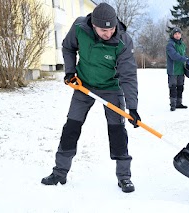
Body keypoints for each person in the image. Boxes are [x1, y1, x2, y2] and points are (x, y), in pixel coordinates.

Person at [41, 3, 141, 193]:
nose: (108, 33)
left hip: (111, 88)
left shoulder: (123, 40)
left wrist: (133, 108)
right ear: (94, 26)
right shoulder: (79, 28)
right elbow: (68, 47)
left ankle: (124, 177)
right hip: (84, 85)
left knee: (117, 131)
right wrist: (70, 72)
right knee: (71, 127)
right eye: (104, 30)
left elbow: (128, 75)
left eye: (111, 28)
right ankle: (59, 172)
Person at [166, 27, 189, 111]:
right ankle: (173, 104)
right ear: (173, 35)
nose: (177, 35)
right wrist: (185, 59)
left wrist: (188, 59)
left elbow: (183, 54)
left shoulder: (182, 44)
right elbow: (174, 56)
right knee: (173, 87)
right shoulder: (170, 44)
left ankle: (179, 103)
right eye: (175, 34)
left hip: (181, 70)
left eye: (179, 33)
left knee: (180, 87)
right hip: (173, 70)